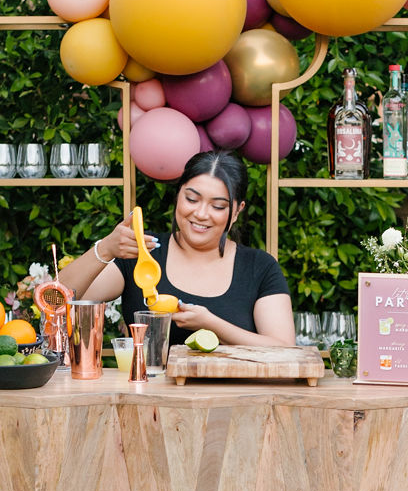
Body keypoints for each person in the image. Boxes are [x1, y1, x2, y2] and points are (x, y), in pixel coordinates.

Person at [60, 150, 296, 350]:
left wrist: (211, 324)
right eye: (192, 199)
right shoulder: (143, 255)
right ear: (178, 196)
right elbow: (56, 299)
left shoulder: (259, 267)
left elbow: (285, 349)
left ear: (236, 211)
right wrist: (105, 249)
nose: (201, 214)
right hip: (146, 400)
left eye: (217, 206)